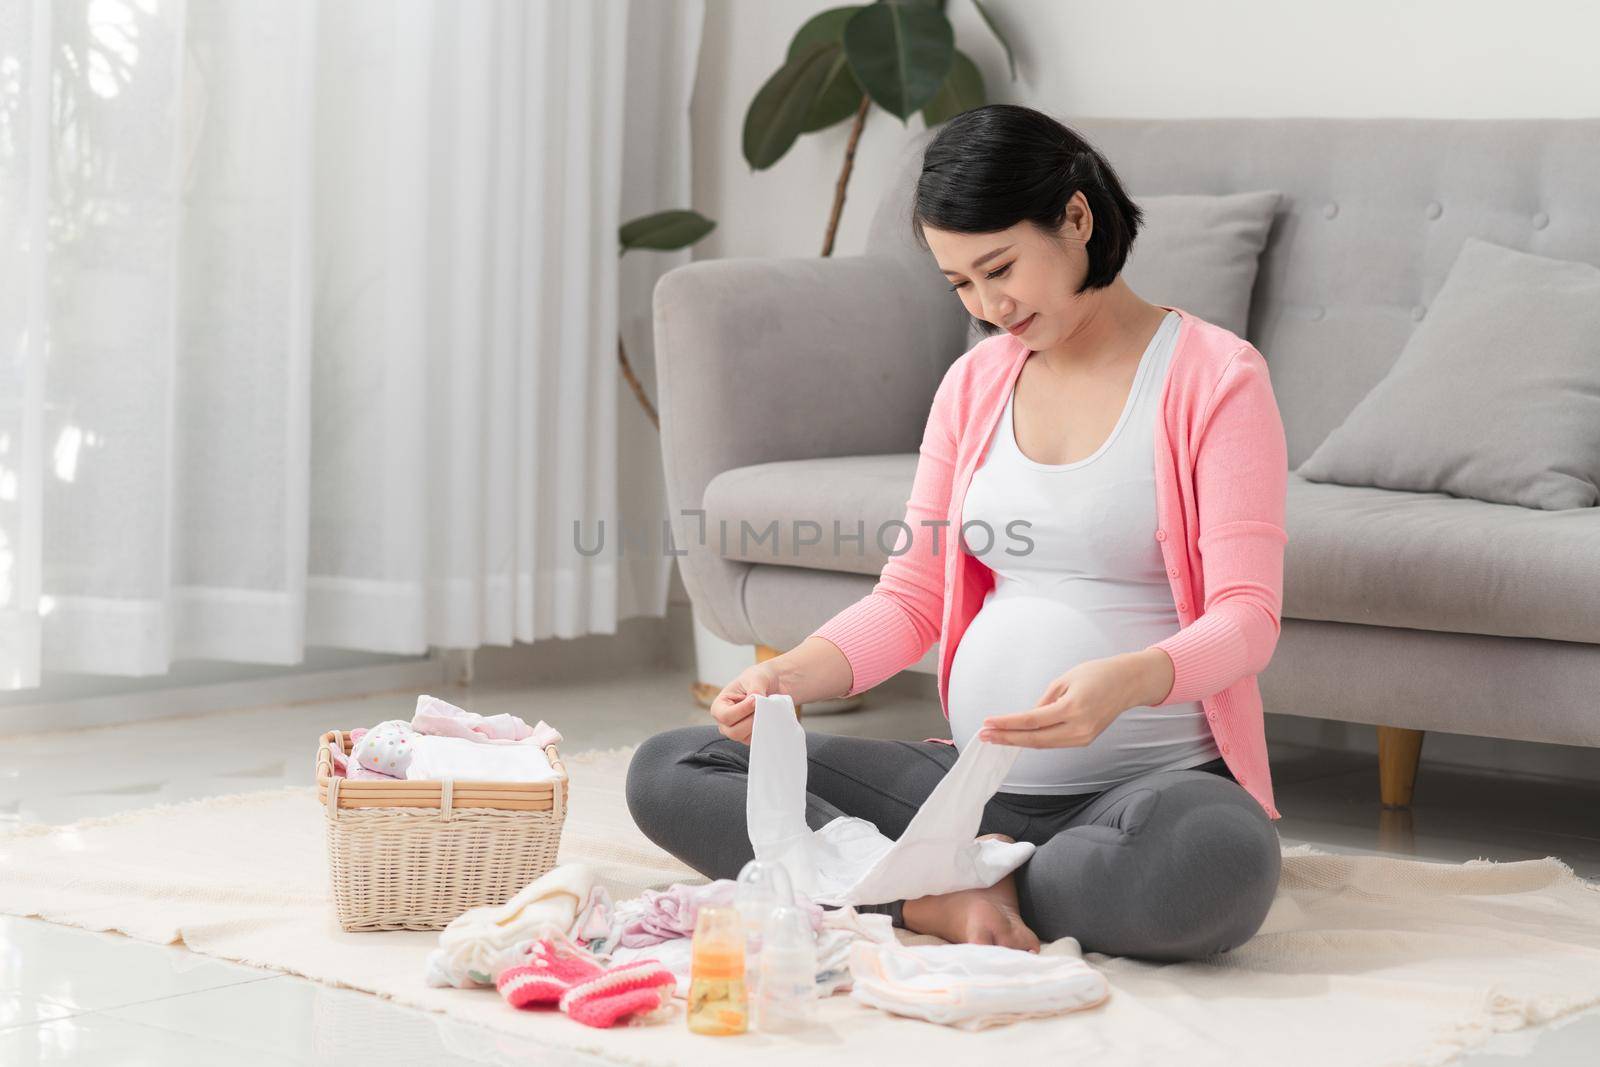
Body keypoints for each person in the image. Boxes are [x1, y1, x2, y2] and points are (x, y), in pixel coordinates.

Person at [627, 104, 1287, 962]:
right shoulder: (974, 383)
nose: (988, 304)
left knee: (1215, 862)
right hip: (971, 785)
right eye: (961, 285)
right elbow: (910, 600)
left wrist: (1128, 681)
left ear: (1077, 218)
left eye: (1000, 267)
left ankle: (935, 885)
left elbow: (1247, 618)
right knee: (671, 767)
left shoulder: (1214, 377)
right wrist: (792, 672)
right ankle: (940, 891)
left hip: (1143, 791)